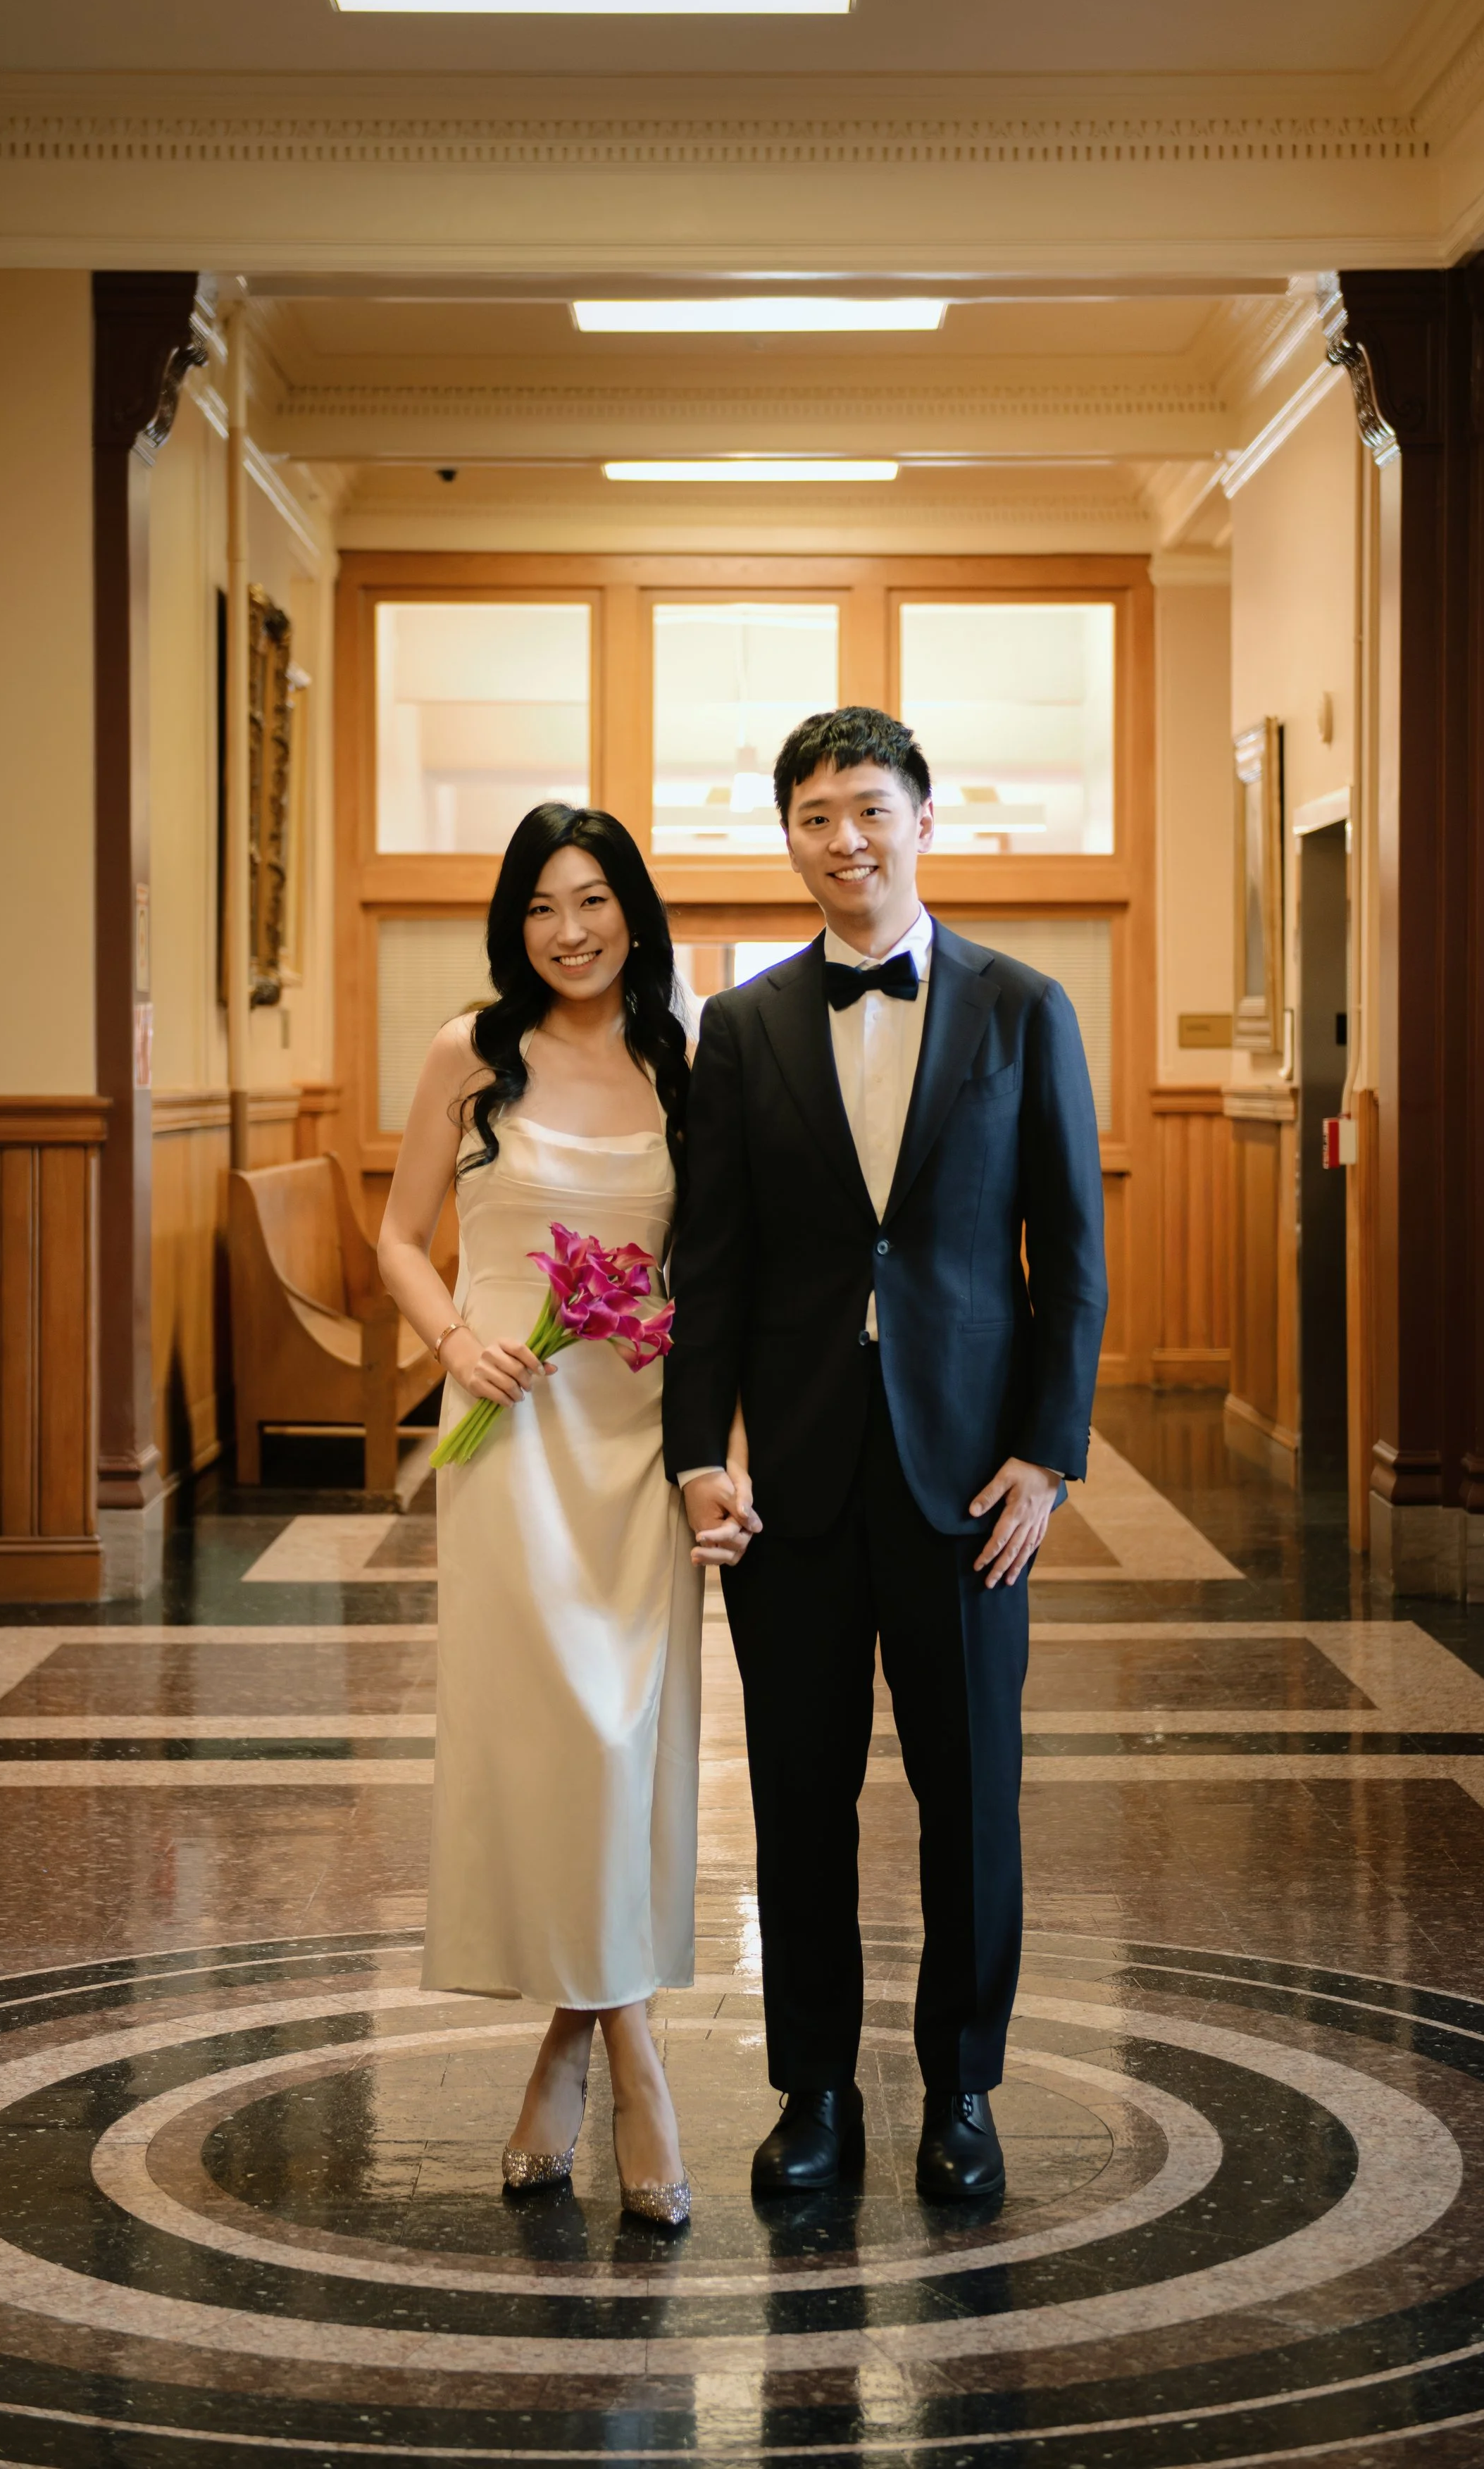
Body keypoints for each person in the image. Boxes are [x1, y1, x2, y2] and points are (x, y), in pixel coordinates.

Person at [663, 707, 1106, 2202]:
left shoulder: (1021, 1007)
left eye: (867, 808)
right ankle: (814, 2094)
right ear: (788, 838)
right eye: (814, 816)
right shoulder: (742, 1027)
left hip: (968, 1486)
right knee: (799, 1799)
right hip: (792, 1481)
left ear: (923, 818)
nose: (843, 839)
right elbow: (711, 1269)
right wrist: (696, 1455)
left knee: (969, 1800)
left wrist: (1045, 1457)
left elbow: (1071, 1257)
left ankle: (962, 2092)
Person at [377, 803, 703, 2228]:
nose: (569, 932)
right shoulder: (469, 1051)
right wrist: (456, 1341)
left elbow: (718, 1267)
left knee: (622, 1751)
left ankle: (573, 2044)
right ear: (514, 927)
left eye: (593, 900)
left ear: (633, 909)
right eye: (540, 908)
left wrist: (719, 1442)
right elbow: (398, 1239)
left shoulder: (683, 1059)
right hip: (507, 1440)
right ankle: (637, 2064)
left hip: (637, 1442)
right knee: (554, 1747)